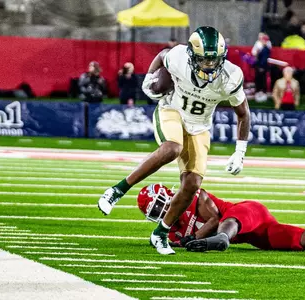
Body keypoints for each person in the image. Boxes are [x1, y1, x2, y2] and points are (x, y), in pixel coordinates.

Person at [97, 26, 251, 255]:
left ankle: (160, 233)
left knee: (192, 185)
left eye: (214, 60)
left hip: (199, 125)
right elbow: (161, 56)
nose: (209, 66)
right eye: (203, 60)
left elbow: (243, 113)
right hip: (172, 110)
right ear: (191, 55)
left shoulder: (231, 76)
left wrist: (240, 152)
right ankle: (117, 190)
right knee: (172, 148)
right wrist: (150, 78)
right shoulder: (178, 56)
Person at [137, 184, 305, 252]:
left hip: (245, 212)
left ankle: (221, 241)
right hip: (257, 235)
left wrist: (196, 239)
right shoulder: (168, 230)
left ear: (169, 195)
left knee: (227, 225)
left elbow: (215, 217)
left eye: (161, 205)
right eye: (156, 212)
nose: (162, 212)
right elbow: (162, 241)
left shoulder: (194, 195)